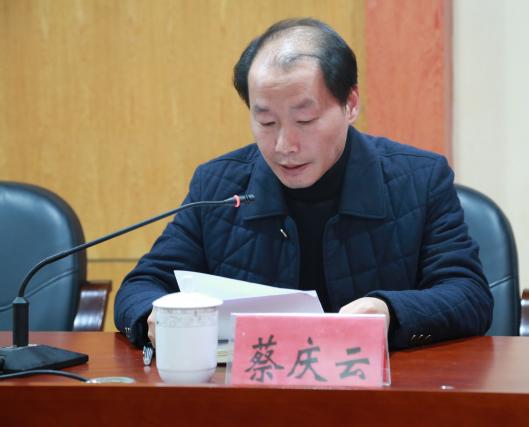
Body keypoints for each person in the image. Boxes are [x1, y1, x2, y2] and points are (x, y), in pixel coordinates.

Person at [115, 18, 493, 350]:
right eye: (266, 122)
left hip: (381, 392)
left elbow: (469, 295)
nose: (284, 145)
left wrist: (390, 311)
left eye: (306, 120)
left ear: (350, 104)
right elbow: (142, 285)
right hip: (254, 394)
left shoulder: (420, 179)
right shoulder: (217, 186)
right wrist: (154, 316)